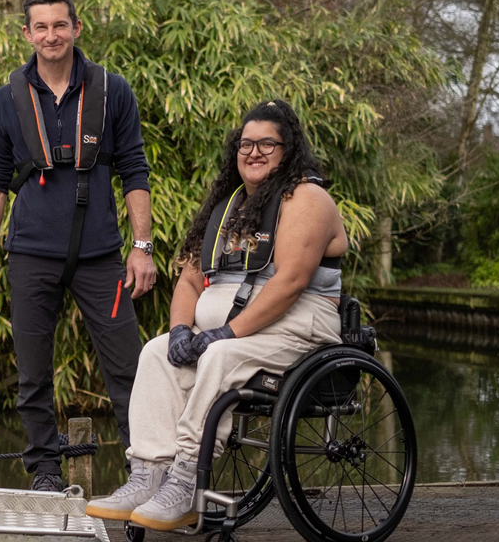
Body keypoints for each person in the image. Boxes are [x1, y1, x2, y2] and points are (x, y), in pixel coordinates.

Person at [84, 99, 348, 530]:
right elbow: (189, 281)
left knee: (219, 358)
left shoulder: (306, 197)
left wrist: (225, 332)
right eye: (246, 144)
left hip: (297, 328)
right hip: (230, 331)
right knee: (155, 353)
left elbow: (290, 283)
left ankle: (187, 481)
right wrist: (181, 330)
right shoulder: (227, 206)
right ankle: (149, 474)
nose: (254, 152)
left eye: (268, 144)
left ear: (289, 150)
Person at [0, 0, 156, 492]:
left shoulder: (112, 91)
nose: (51, 35)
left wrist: (143, 247)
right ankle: (46, 474)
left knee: (128, 370)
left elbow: (135, 170)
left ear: (76, 28)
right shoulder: (6, 100)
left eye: (60, 25)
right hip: (30, 254)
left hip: (101, 256)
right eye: (41, 27)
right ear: (26, 33)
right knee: (33, 375)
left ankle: (146, 469)